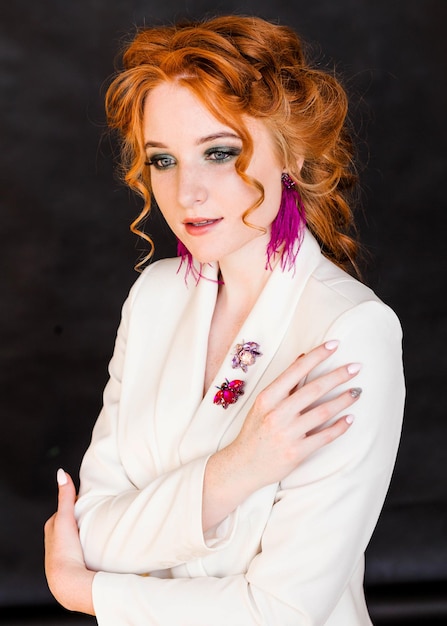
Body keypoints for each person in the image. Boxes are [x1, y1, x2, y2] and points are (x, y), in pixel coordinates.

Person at [44, 14, 405, 625]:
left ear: (288, 156)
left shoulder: (349, 331)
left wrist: (86, 592)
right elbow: (93, 531)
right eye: (164, 160)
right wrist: (238, 471)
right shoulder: (155, 297)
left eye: (219, 153)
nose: (188, 193)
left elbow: (282, 609)